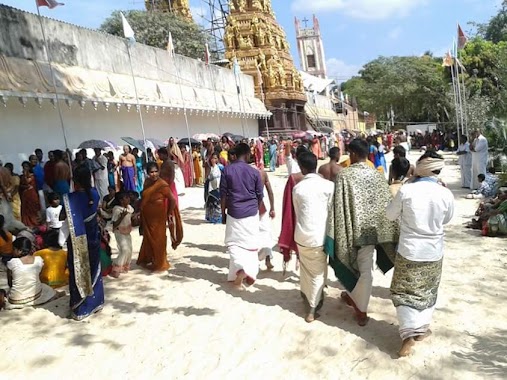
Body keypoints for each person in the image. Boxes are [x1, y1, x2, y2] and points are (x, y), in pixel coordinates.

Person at [386, 150, 454, 357]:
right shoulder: (445, 193)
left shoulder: (407, 191)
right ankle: (421, 330)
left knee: (403, 292)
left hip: (409, 250)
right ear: (438, 170)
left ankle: (408, 335)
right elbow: (447, 219)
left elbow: (390, 215)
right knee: (427, 291)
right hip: (433, 251)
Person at [325, 139, 399, 326]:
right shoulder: (376, 174)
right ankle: (353, 297)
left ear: (355, 154)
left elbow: (339, 206)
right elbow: (385, 203)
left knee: (363, 269)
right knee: (363, 267)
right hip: (373, 230)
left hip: (352, 230)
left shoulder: (345, 176)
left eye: (350, 153)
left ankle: (362, 310)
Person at [293, 151, 334, 323]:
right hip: (320, 236)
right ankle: (312, 309)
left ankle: (308, 296)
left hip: (302, 236)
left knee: (306, 270)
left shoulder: (298, 188)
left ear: (302, 168)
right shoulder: (328, 186)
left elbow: (297, 212)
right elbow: (332, 212)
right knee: (317, 271)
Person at [61, 165, 104, 321]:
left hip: (78, 240)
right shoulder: (94, 193)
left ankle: (81, 308)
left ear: (74, 180)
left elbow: (61, 217)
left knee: (79, 270)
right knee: (94, 268)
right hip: (93, 237)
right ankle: (96, 301)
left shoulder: (69, 199)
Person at [220, 143, 264, 289]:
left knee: (233, 243)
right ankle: (248, 273)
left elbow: (223, 195)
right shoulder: (254, 172)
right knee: (250, 245)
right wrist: (255, 210)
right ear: (246, 154)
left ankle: (240, 270)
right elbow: (259, 195)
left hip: (234, 211)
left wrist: (223, 213)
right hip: (251, 212)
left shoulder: (227, 170)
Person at [137, 162, 182, 272]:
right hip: (147, 216)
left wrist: (168, 212)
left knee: (159, 239)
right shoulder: (147, 182)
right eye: (151, 172)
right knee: (148, 238)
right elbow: (144, 197)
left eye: (156, 171)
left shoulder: (163, 185)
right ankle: (150, 258)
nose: (154, 174)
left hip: (159, 217)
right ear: (147, 173)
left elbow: (172, 200)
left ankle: (160, 262)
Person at [0, 237, 56, 310]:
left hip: (16, 299)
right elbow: (38, 277)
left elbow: (10, 283)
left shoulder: (12, 262)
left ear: (19, 250)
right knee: (46, 288)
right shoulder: (39, 260)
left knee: (2, 291)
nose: (12, 251)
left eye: (14, 249)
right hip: (35, 295)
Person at [255, 154, 276, 270]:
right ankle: (268, 257)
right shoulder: (263, 173)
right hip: (261, 206)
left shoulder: (245, 173)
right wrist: (272, 208)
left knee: (252, 235)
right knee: (266, 233)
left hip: (248, 207)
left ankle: (254, 261)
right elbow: (270, 192)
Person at [111, 192, 134, 278]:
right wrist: (121, 217)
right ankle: (116, 267)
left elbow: (130, 216)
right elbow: (114, 224)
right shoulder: (117, 210)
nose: (128, 199)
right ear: (121, 201)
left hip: (127, 230)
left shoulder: (129, 208)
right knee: (124, 249)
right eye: (126, 198)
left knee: (129, 249)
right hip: (119, 232)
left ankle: (124, 265)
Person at [20, 161, 41, 227]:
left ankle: (34, 223)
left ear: (29, 167)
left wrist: (25, 174)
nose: (24, 168)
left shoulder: (32, 176)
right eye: (23, 167)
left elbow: (27, 182)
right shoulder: (22, 176)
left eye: (26, 166)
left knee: (32, 209)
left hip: (31, 194)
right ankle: (27, 224)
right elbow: (21, 185)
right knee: (26, 209)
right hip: (25, 194)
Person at [205, 153, 223, 224]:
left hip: (218, 186)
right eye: (213, 158)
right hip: (210, 186)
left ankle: (218, 218)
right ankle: (211, 217)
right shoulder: (209, 167)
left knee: (217, 202)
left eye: (215, 158)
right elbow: (206, 177)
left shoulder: (220, 167)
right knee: (211, 202)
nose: (214, 160)